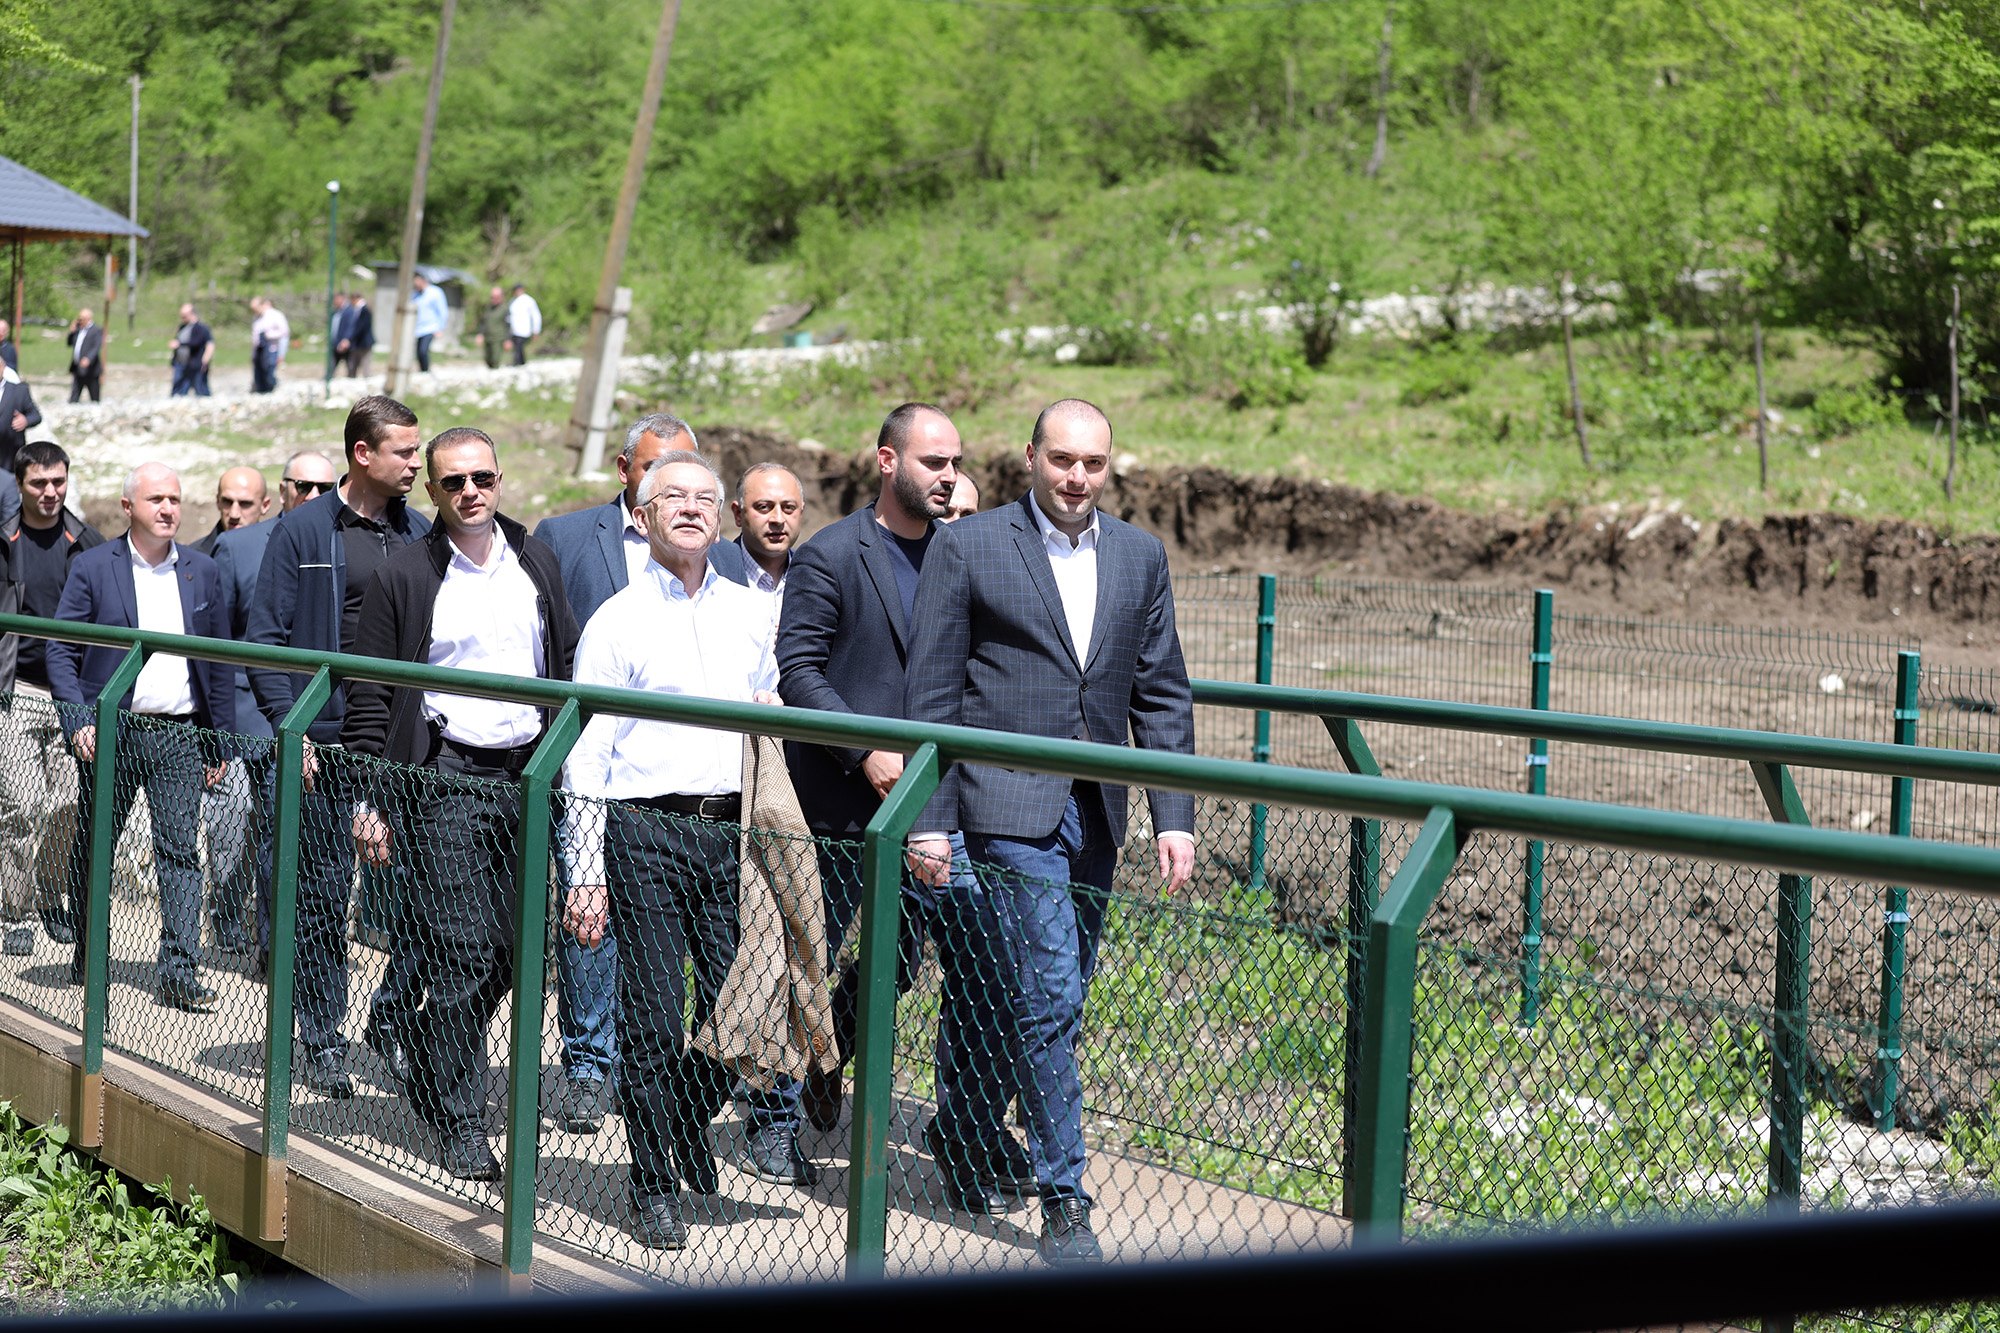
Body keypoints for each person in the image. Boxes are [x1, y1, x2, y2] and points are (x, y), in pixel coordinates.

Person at [905, 398, 1197, 1267]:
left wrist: (1174, 817)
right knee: (1050, 994)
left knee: (1034, 993)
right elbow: (932, 692)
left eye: (1092, 463)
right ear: (1030, 457)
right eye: (1062, 459)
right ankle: (1065, 1193)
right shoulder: (971, 545)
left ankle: (963, 1130)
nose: (1076, 476)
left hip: (1096, 810)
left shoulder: (1140, 555)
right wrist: (931, 820)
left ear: (1109, 466)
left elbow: (1161, 692)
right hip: (1003, 806)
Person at [773, 401, 1028, 1207]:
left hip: (945, 808)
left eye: (956, 463)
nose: (949, 476)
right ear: (887, 461)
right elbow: (799, 670)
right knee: (804, 965)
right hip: (843, 808)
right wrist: (866, 751)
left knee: (960, 973)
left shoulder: (968, 554)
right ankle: (774, 1119)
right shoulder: (831, 554)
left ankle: (969, 1133)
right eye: (933, 462)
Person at [561, 450, 789, 1251]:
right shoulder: (617, 619)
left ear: (721, 517)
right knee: (654, 1020)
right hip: (643, 831)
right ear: (644, 514)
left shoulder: (751, 614)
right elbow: (586, 754)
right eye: (674, 498)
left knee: (745, 1006)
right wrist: (584, 872)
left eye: (704, 499)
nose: (691, 509)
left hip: (729, 833)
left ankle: (683, 1117)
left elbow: (770, 713)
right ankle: (652, 1182)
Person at [343, 427, 579, 1180]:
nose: (471, 491)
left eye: (482, 477)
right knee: (462, 952)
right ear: (432, 490)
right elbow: (370, 693)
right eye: (453, 481)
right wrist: (370, 797)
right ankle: (462, 1119)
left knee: (513, 954)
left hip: (530, 777)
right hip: (446, 778)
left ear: (500, 478)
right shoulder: (406, 574)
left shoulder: (536, 558)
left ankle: (423, 1040)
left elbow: (564, 660)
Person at [246, 395, 429, 1098]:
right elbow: (266, 638)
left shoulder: (421, 534)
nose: (416, 464)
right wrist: (291, 729)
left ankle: (389, 1017)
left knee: (427, 901)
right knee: (321, 901)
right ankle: (322, 1038)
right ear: (363, 453)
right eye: (404, 452)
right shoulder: (301, 531)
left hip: (403, 746)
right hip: (323, 746)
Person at [529, 412, 688, 1134]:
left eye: (683, 469)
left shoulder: (710, 549)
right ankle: (589, 1065)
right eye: (654, 467)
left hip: (674, 771)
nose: (669, 484)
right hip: (591, 757)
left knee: (660, 930)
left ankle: (649, 1065)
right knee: (588, 911)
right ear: (625, 470)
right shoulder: (565, 538)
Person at [48, 464, 234, 1011]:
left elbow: (220, 662)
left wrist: (217, 741)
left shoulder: (203, 570)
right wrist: (80, 722)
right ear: (129, 506)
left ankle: (179, 973)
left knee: (180, 852)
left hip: (179, 735)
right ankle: (90, 953)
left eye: (174, 498)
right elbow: (61, 649)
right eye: (156, 499)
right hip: (111, 731)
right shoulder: (92, 567)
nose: (168, 508)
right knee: (96, 844)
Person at [212, 451, 335, 963]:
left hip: (328, 721)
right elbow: (217, 642)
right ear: (282, 490)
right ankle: (272, 948)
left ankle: (301, 947)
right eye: (302, 486)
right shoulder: (239, 547)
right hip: (256, 716)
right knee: (268, 833)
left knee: (308, 842)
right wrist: (220, 729)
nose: (312, 496)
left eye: (323, 487)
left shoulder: (344, 542)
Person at [0, 442, 104, 954]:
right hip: (15, 689)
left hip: (73, 693)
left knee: (67, 804)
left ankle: (48, 897)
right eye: (39, 483)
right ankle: (13, 912)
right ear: (19, 484)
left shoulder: (87, 542)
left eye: (58, 482)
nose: (50, 492)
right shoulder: (4, 542)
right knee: (19, 804)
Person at [187, 467, 270, 952]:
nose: (234, 512)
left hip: (269, 710)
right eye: (226, 502)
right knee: (231, 818)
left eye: (245, 504)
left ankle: (259, 925)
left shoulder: (273, 553)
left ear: (265, 506)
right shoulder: (195, 558)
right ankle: (226, 918)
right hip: (224, 716)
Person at [728, 463, 805, 630]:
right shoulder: (711, 574)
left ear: (801, 512)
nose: (778, 519)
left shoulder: (814, 577)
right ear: (738, 514)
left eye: (788, 508)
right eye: (764, 507)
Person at [0, 361, 40, 470]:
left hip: (10, 454)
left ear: (3, 368)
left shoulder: (19, 391)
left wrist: (26, 420)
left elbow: (35, 415)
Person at [170, 305, 216, 398]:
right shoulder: (182, 327)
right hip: (181, 362)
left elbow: (207, 344)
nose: (182, 318)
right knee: (179, 389)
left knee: (201, 387)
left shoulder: (201, 328)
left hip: (196, 363)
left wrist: (205, 360)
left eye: (184, 316)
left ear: (192, 314)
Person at [250, 297, 289, 394]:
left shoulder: (275, 315)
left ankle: (271, 389)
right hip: (259, 349)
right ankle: (261, 391)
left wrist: (269, 335)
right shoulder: (257, 318)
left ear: (261, 305)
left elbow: (285, 332)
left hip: (271, 348)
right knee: (259, 372)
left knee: (269, 371)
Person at [411, 274, 449, 374]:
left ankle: (426, 372)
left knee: (423, 350)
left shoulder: (435, 292)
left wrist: (440, 328)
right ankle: (423, 371)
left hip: (431, 327)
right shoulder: (415, 294)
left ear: (423, 281)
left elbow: (443, 311)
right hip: (418, 329)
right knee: (419, 353)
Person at [67, 309, 103, 404]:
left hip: (91, 369)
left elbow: (96, 346)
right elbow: (69, 343)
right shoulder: (78, 330)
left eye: (81, 319)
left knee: (94, 398)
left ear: (88, 318)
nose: (79, 321)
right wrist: (72, 332)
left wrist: (88, 358)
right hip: (77, 368)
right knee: (74, 398)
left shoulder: (96, 330)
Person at [339, 293, 374, 378]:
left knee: (365, 365)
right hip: (359, 342)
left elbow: (361, 327)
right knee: (354, 365)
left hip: (364, 342)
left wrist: (349, 339)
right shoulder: (359, 310)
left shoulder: (364, 310)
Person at [473, 286, 508, 370]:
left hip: (498, 338)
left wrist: (508, 340)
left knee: (495, 360)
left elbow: (508, 325)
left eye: (496, 297)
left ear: (501, 297)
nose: (494, 299)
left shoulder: (505, 309)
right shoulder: (488, 308)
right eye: (492, 297)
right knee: (487, 359)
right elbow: (483, 322)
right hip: (488, 337)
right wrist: (480, 334)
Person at [505, 284, 540, 366]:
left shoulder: (529, 300)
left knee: (519, 346)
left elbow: (536, 315)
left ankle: (518, 362)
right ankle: (521, 362)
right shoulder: (512, 301)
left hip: (524, 329)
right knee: (517, 347)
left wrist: (536, 330)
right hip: (514, 329)